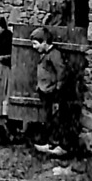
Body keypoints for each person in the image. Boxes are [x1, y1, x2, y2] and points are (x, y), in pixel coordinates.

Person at [30, 27, 79, 157]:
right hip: (46, 92)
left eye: (36, 44)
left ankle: (61, 145)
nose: (34, 47)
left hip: (55, 93)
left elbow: (61, 73)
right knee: (50, 119)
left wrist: (57, 90)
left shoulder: (55, 54)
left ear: (45, 42)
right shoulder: (46, 55)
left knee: (58, 119)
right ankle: (51, 143)